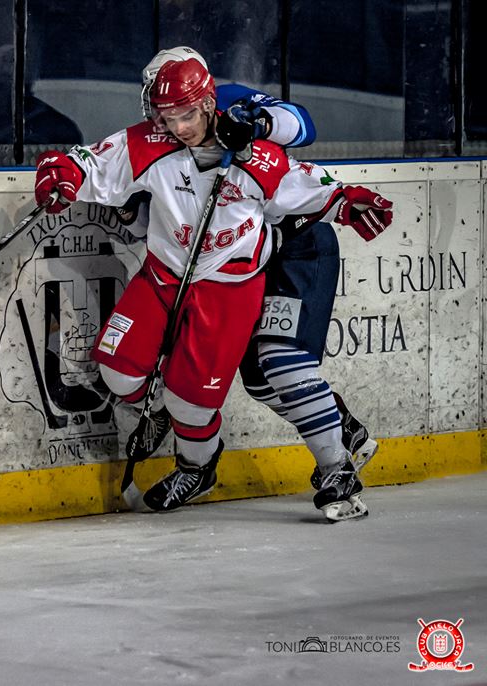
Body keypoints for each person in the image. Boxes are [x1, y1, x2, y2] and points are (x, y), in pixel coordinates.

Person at [33, 47, 393, 521]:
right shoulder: (149, 141)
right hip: (163, 276)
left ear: (207, 101)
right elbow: (95, 162)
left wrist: (346, 200)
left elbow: (302, 160)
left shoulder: (246, 135)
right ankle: (166, 414)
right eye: (164, 115)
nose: (176, 127)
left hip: (240, 281)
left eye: (184, 114)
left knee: (253, 378)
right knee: (118, 369)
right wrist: (62, 172)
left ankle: (314, 466)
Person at [133, 48, 384, 520]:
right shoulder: (167, 129)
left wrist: (259, 123)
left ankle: (337, 469)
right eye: (153, 99)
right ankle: (338, 422)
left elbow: (304, 124)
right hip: (235, 265)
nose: (159, 111)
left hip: (295, 245)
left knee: (281, 361)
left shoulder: (221, 101)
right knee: (259, 380)